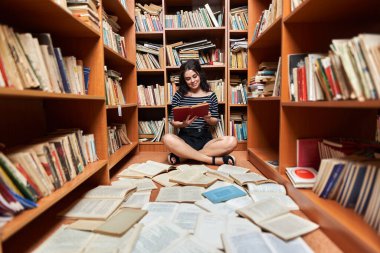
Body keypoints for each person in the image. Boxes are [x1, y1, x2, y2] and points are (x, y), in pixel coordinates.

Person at [162, 59, 237, 165]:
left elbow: (215, 121)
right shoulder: (178, 95)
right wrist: (183, 124)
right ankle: (211, 160)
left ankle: (183, 157)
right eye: (188, 79)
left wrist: (208, 119)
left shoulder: (211, 95)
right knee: (167, 138)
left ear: (200, 75)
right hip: (185, 139)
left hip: (205, 139)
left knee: (232, 141)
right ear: (184, 80)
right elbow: (173, 121)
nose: (192, 81)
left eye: (194, 76)